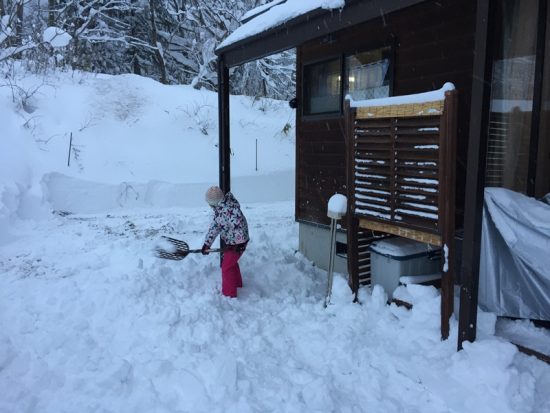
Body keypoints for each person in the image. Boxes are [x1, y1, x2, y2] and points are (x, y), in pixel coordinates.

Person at [202, 186, 249, 298]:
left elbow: (239, 226)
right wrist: (207, 243)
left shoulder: (229, 211)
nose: (209, 206)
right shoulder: (221, 210)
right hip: (233, 242)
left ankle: (229, 294)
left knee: (226, 267)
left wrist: (239, 244)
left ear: (214, 203)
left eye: (210, 204)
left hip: (238, 243)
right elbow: (215, 227)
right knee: (231, 263)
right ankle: (237, 284)